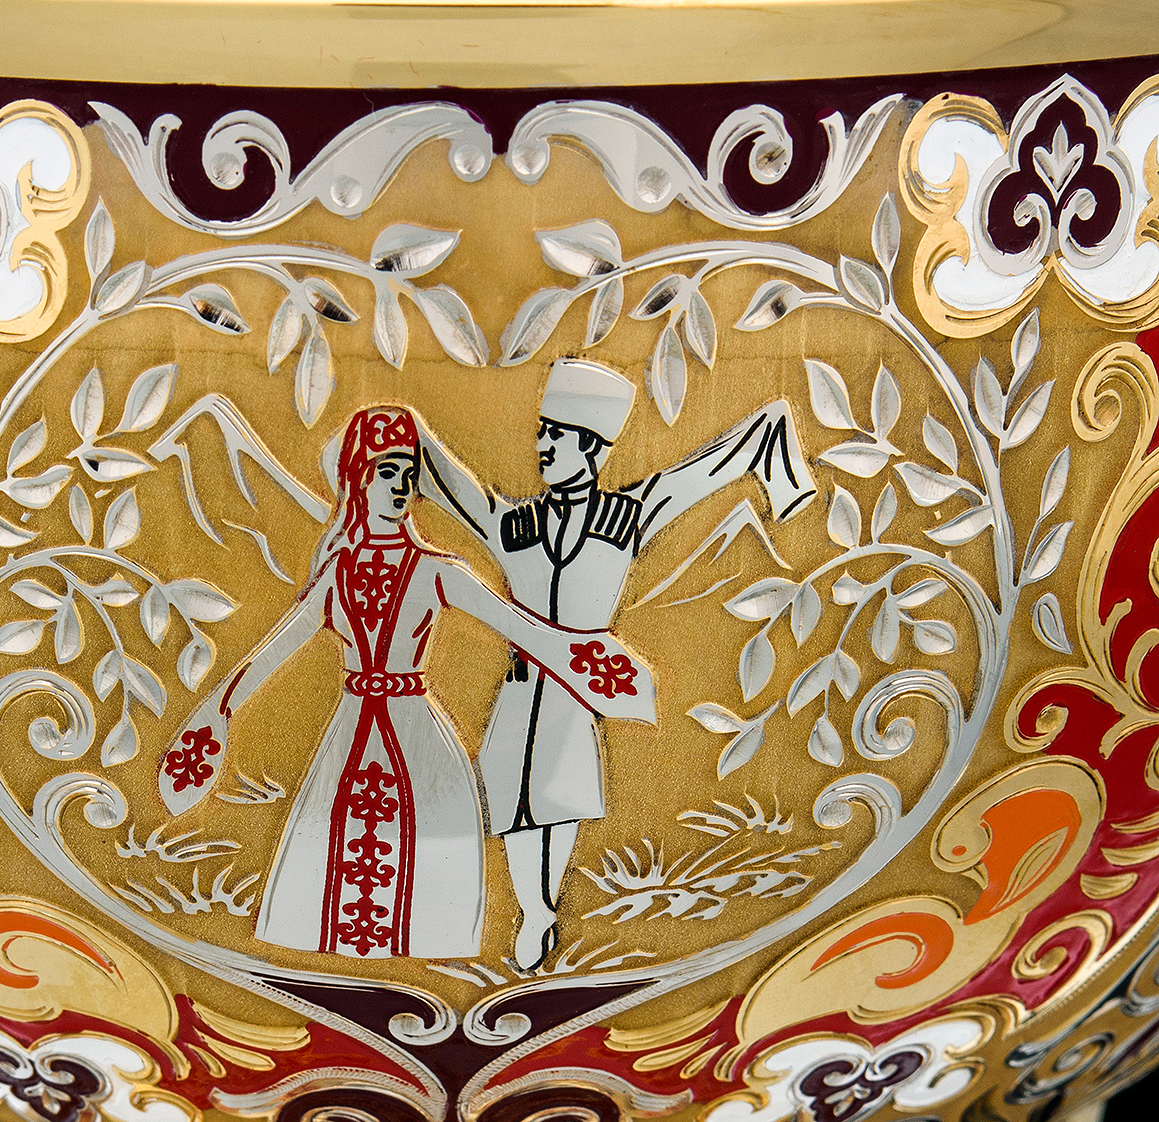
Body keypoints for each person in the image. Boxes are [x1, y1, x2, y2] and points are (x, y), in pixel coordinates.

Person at [158, 406, 655, 961]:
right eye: (387, 471)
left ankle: (423, 955)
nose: (402, 486)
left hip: (420, 736)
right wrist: (220, 708)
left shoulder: (436, 570)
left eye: (409, 473)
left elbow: (524, 631)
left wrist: (597, 668)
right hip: (352, 728)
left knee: (424, 856)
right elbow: (277, 648)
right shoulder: (338, 571)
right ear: (358, 477)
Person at [417, 359, 817, 969]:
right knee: (513, 802)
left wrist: (768, 440)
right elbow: (457, 491)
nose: (542, 445)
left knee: (560, 798)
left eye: (556, 435)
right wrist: (412, 439)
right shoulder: (514, 523)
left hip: (583, 684)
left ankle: (543, 906)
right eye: (541, 432)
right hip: (523, 683)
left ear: (590, 446)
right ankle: (536, 909)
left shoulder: (627, 514)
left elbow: (700, 473)